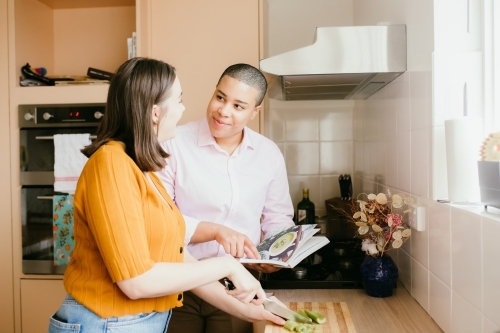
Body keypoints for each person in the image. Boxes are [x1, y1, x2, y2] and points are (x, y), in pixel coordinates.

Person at [47, 58, 286, 333]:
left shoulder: (140, 168)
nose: (184, 110)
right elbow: (135, 281)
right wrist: (228, 266)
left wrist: (246, 308)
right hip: (106, 324)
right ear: (155, 112)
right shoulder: (111, 165)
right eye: (179, 100)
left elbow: (175, 254)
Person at [157, 63, 295, 333]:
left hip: (241, 286)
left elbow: (278, 218)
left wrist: (274, 256)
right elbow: (160, 219)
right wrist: (216, 232)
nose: (223, 111)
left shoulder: (268, 154)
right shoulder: (173, 144)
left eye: (238, 106)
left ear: (255, 112)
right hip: (180, 281)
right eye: (220, 97)